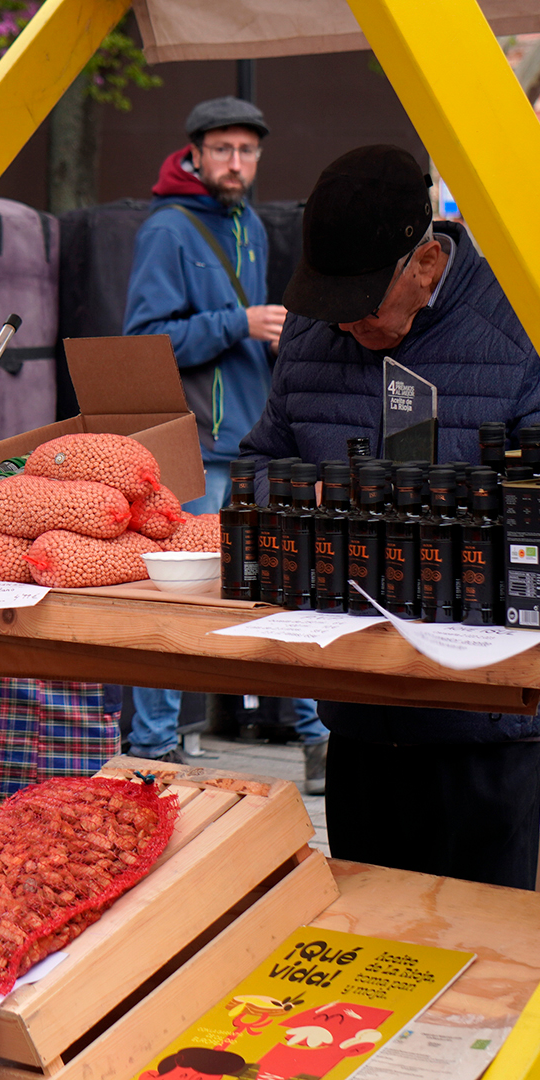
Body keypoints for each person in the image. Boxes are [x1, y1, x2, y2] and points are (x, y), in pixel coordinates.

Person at [240, 144, 540, 890]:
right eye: (329, 306)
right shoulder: (316, 333)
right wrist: (299, 498)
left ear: (427, 264)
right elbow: (254, 466)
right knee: (370, 946)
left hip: (489, 721)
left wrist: (412, 516)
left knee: (486, 959)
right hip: (359, 709)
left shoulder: (520, 322)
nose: (344, 327)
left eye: (363, 307)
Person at [123, 96, 327, 783]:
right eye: (223, 150)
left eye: (247, 151)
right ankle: (152, 750)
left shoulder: (250, 227)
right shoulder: (166, 229)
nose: (235, 163)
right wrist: (237, 322)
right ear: (195, 154)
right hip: (193, 447)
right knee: (179, 600)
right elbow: (143, 342)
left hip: (254, 442)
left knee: (277, 582)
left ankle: (316, 737)